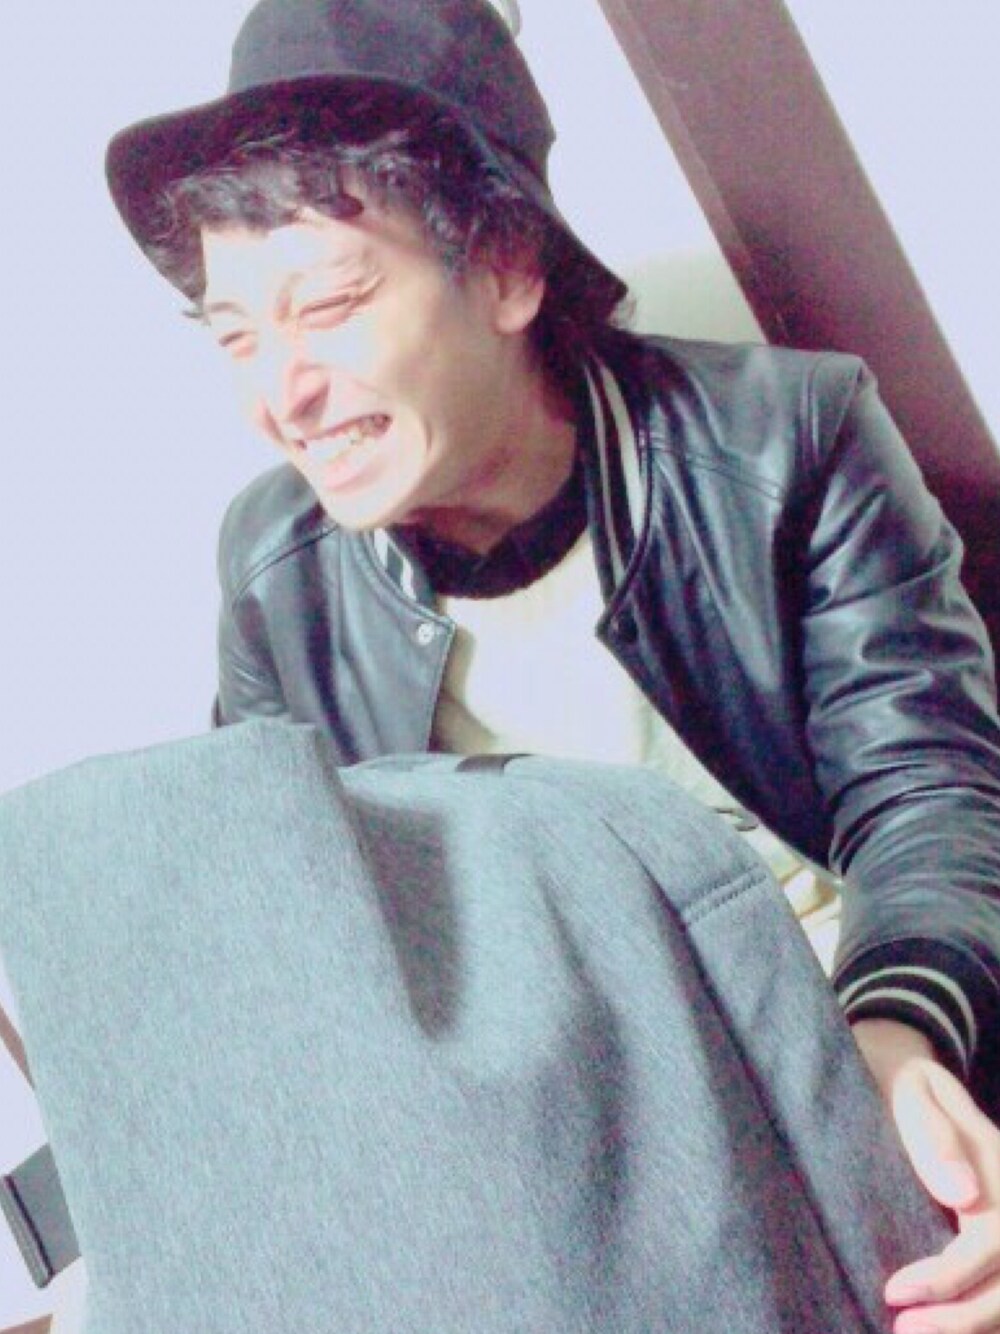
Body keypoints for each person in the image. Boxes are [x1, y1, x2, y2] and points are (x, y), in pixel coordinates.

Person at [102, 0, 1000, 1328]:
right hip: (579, 1149)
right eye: (237, 334)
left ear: (509, 266)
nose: (281, 394)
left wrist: (894, 1048)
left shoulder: (786, 439)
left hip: (860, 1024)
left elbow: (928, 795)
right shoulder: (275, 570)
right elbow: (291, 939)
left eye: (331, 305)